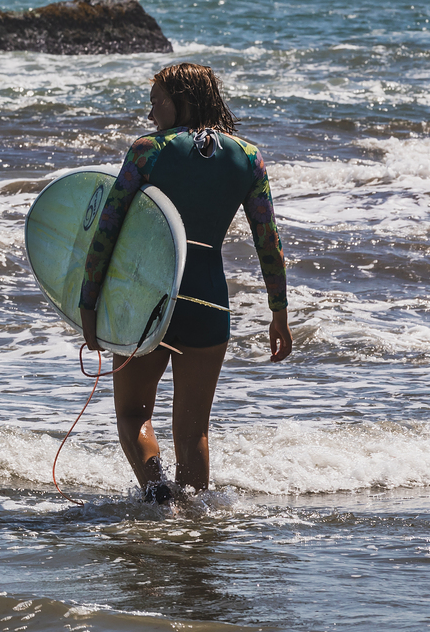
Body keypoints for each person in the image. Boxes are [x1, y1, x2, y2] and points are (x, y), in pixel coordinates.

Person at [79, 63, 292, 504]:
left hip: (148, 302)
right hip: (209, 304)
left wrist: (88, 302)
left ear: (186, 100)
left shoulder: (147, 151)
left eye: (158, 100)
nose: (151, 110)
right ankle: (195, 520)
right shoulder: (249, 157)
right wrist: (279, 312)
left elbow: (107, 229)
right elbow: (268, 242)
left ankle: (159, 498)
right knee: (193, 428)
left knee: (132, 416)